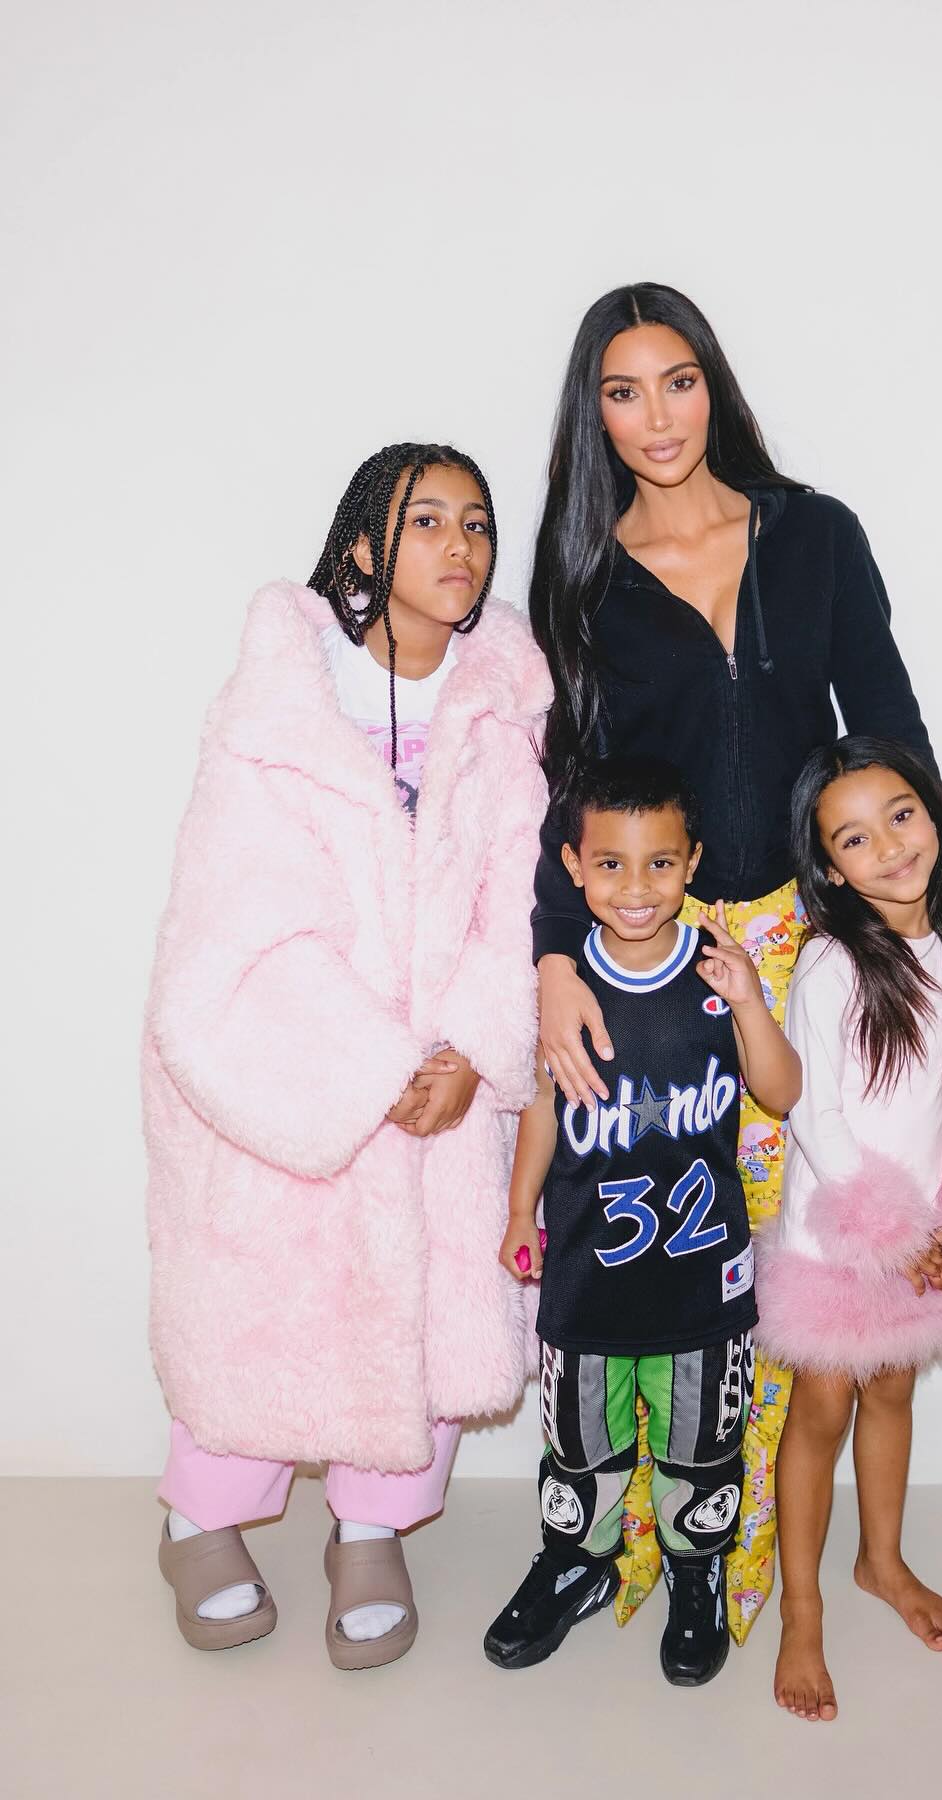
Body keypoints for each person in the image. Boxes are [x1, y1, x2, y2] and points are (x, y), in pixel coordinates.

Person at [527, 281, 942, 1638]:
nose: (657, 416)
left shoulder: (814, 534)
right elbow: (568, 787)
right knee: (674, 1256)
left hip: (820, 938)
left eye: (677, 381)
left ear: (714, 386)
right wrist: (558, 956)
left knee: (808, 1257)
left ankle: (787, 1562)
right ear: (594, 414)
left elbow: (888, 717)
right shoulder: (582, 578)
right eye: (623, 391)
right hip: (659, 942)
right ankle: (652, 1549)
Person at [144, 443, 549, 1668]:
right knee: (263, 1297)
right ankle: (199, 1516)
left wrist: (473, 1047)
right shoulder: (281, 710)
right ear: (365, 546)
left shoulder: (500, 714)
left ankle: (372, 1530)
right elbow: (236, 909)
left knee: (432, 1297)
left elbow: (520, 902)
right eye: (427, 521)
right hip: (299, 1072)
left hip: (445, 1078)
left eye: (476, 523)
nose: (460, 546)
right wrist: (369, 1066)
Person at [486, 757, 800, 1685]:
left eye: (660, 863)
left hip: (703, 1283)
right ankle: (575, 1565)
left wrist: (749, 1002)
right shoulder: (564, 985)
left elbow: (781, 1093)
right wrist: (519, 1208)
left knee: (700, 1455)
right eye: (611, 865)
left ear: (692, 862)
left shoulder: (715, 972)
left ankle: (694, 1577)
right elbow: (543, 1106)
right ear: (574, 867)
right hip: (588, 1280)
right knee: (580, 1451)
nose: (636, 887)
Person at [756, 737, 942, 1722]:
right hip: (839, 1237)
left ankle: (881, 1560)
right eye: (856, 839)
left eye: (901, 815)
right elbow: (813, 1114)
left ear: (934, 815)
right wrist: (887, 1228)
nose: (890, 846)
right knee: (822, 1411)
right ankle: (803, 1610)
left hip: (924, 1232)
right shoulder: (831, 967)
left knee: (894, 1391)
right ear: (831, 869)